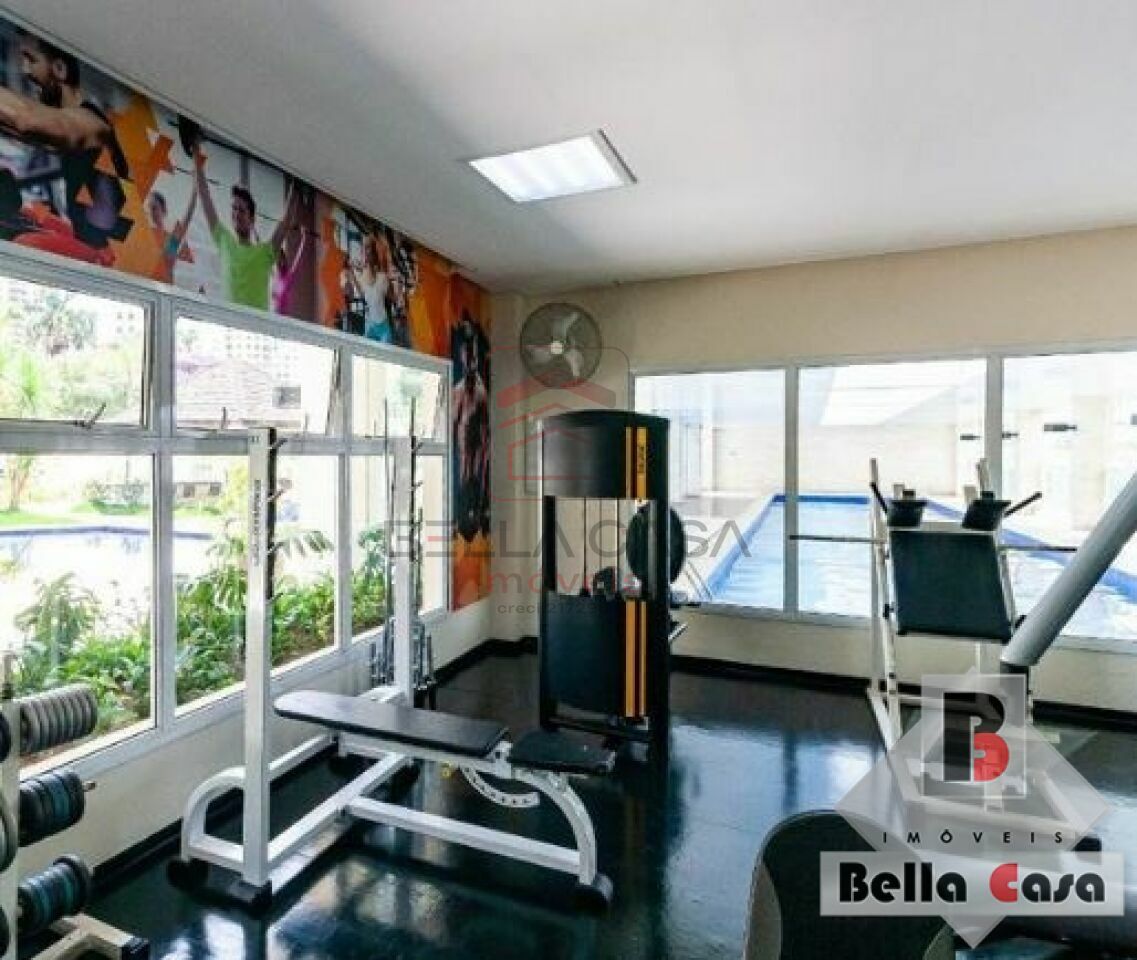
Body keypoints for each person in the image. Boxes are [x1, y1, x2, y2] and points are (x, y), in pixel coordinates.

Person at [0, 32, 130, 264]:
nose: (25, 71)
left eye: (32, 60)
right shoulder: (62, 134)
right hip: (70, 234)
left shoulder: (93, 124)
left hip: (100, 253)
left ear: (59, 69)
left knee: (22, 241)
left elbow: (26, 119)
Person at [194, 146, 298, 310]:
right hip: (230, 322)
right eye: (234, 209)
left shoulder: (265, 252)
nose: (236, 214)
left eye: (241, 210)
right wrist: (195, 151)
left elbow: (286, 222)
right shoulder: (224, 240)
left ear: (252, 218)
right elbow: (205, 196)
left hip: (256, 324)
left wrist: (297, 177)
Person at [452, 312, 491, 542]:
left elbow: (485, 429)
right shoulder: (458, 392)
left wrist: (484, 453)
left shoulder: (480, 391)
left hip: (477, 454)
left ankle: (479, 514)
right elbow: (454, 427)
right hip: (465, 454)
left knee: (475, 477)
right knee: (466, 477)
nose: (470, 357)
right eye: (466, 351)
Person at [146, 184, 197, 284]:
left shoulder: (171, 240)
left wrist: (195, 191)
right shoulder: (146, 236)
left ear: (164, 210)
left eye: (154, 208)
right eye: (149, 208)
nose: (151, 211)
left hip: (165, 289)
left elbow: (187, 218)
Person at [347, 233, 394, 342]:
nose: (365, 253)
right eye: (364, 250)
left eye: (368, 250)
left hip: (383, 325)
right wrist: (353, 276)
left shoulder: (382, 278)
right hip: (370, 324)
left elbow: (392, 297)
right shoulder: (362, 278)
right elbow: (362, 294)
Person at [271, 227, 307, 316]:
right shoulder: (274, 276)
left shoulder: (289, 276)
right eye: (277, 259)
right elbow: (262, 249)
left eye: (280, 259)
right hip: (274, 315)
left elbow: (298, 256)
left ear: (284, 260)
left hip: (284, 316)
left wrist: (303, 238)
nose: (279, 261)